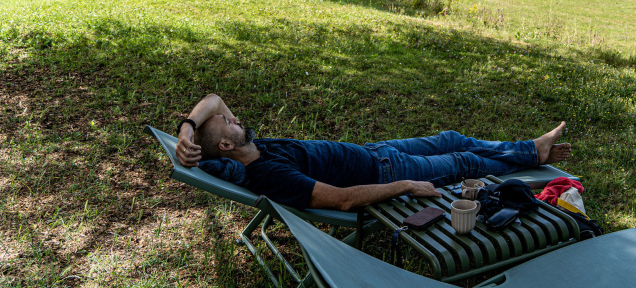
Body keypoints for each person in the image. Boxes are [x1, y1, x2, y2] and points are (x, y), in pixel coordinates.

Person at [175, 94, 572, 211]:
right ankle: (532, 153)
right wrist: (407, 186)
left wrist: (188, 128)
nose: (234, 117)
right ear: (227, 145)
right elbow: (344, 200)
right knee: (463, 161)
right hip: (384, 171)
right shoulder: (269, 173)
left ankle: (529, 151)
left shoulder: (243, 147)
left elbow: (213, 99)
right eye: (228, 123)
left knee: (451, 136)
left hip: (375, 151)